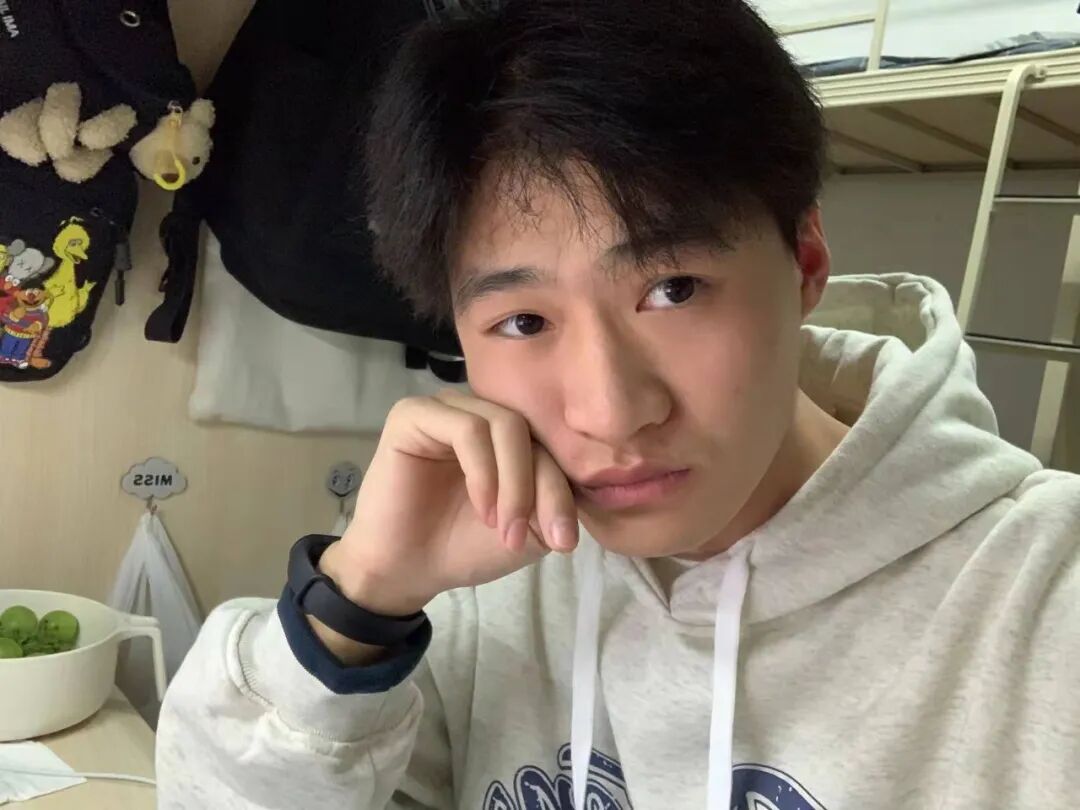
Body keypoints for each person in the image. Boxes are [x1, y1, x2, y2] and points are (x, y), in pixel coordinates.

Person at [156, 1, 1080, 807]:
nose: (608, 412)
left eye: (673, 289)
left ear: (805, 263)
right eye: (523, 321)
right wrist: (359, 603)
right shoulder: (484, 572)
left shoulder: (1045, 600)